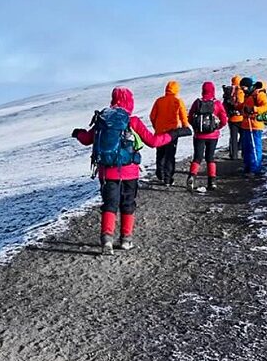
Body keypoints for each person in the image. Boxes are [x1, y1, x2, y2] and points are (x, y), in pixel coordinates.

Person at [74, 88, 190, 253]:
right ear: (130, 102)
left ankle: (107, 240)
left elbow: (86, 139)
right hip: (129, 172)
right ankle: (126, 240)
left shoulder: (103, 121)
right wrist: (175, 134)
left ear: (113, 100)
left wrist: (78, 133)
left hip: (107, 172)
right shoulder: (132, 121)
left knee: (109, 205)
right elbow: (154, 141)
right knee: (128, 204)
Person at [187, 81, 228, 192]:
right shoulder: (217, 103)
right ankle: (212, 181)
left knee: (197, 157)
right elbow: (224, 120)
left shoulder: (197, 103)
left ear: (203, 90)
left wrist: (196, 128)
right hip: (213, 136)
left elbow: (190, 117)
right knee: (210, 158)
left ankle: (192, 176)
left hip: (199, 135)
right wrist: (217, 128)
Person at [149, 81, 188, 187]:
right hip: (172, 133)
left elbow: (152, 116)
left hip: (159, 132)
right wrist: (185, 127)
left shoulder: (159, 101)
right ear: (176, 90)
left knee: (160, 154)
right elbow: (184, 116)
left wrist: (156, 127)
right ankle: (167, 178)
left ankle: (160, 174)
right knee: (170, 155)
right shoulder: (178, 101)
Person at [241, 78, 267, 175]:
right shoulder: (249, 94)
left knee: (254, 147)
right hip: (247, 124)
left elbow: (266, 107)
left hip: (255, 125)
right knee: (247, 147)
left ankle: (255, 169)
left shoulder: (259, 94)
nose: (243, 90)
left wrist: (253, 109)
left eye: (244, 87)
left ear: (250, 86)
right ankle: (248, 166)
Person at [225, 76, 247, 160]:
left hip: (231, 118)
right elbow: (242, 103)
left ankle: (233, 155)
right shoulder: (241, 91)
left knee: (233, 137)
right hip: (241, 118)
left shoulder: (229, 91)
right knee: (243, 136)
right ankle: (243, 153)